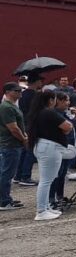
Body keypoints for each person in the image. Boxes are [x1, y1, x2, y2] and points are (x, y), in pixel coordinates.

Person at [27, 90, 73, 221]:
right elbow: (67, 126)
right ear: (51, 100)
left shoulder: (39, 112)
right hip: (50, 148)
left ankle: (45, 207)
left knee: (48, 179)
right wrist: (68, 127)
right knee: (46, 180)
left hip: (45, 146)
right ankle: (41, 210)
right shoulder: (49, 112)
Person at [0, 83, 27, 211]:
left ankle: (6, 198)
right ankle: (4, 201)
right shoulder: (6, 107)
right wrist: (24, 139)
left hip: (12, 144)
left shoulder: (11, 106)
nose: (20, 93)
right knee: (7, 173)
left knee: (7, 172)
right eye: (17, 91)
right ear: (8, 92)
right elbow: (13, 128)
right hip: (10, 144)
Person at [49, 92, 76, 210]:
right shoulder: (55, 114)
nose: (68, 103)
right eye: (66, 100)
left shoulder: (64, 113)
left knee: (62, 174)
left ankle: (59, 196)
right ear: (58, 101)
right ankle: (52, 199)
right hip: (59, 147)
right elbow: (66, 128)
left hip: (66, 147)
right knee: (56, 174)